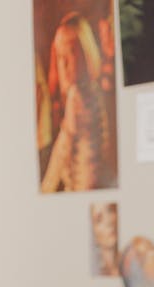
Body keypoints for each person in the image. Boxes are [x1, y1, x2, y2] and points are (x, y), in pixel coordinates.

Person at [41, 12, 117, 193]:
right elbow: (63, 145)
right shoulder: (78, 95)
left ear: (86, 51)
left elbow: (86, 163)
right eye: (60, 57)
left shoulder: (85, 96)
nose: (64, 65)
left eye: (71, 54)